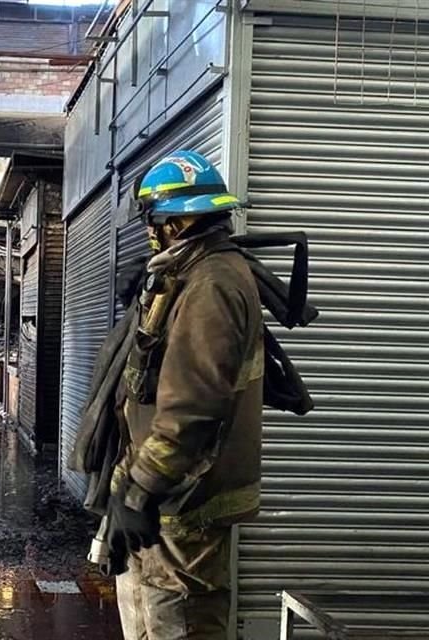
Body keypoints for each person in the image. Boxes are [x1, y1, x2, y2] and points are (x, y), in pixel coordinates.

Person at [108, 150, 263, 639]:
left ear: (174, 224)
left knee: (179, 623)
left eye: (153, 223)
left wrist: (140, 489)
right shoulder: (194, 274)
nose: (149, 232)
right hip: (169, 494)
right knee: (151, 619)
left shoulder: (211, 286)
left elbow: (191, 408)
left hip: (184, 499)